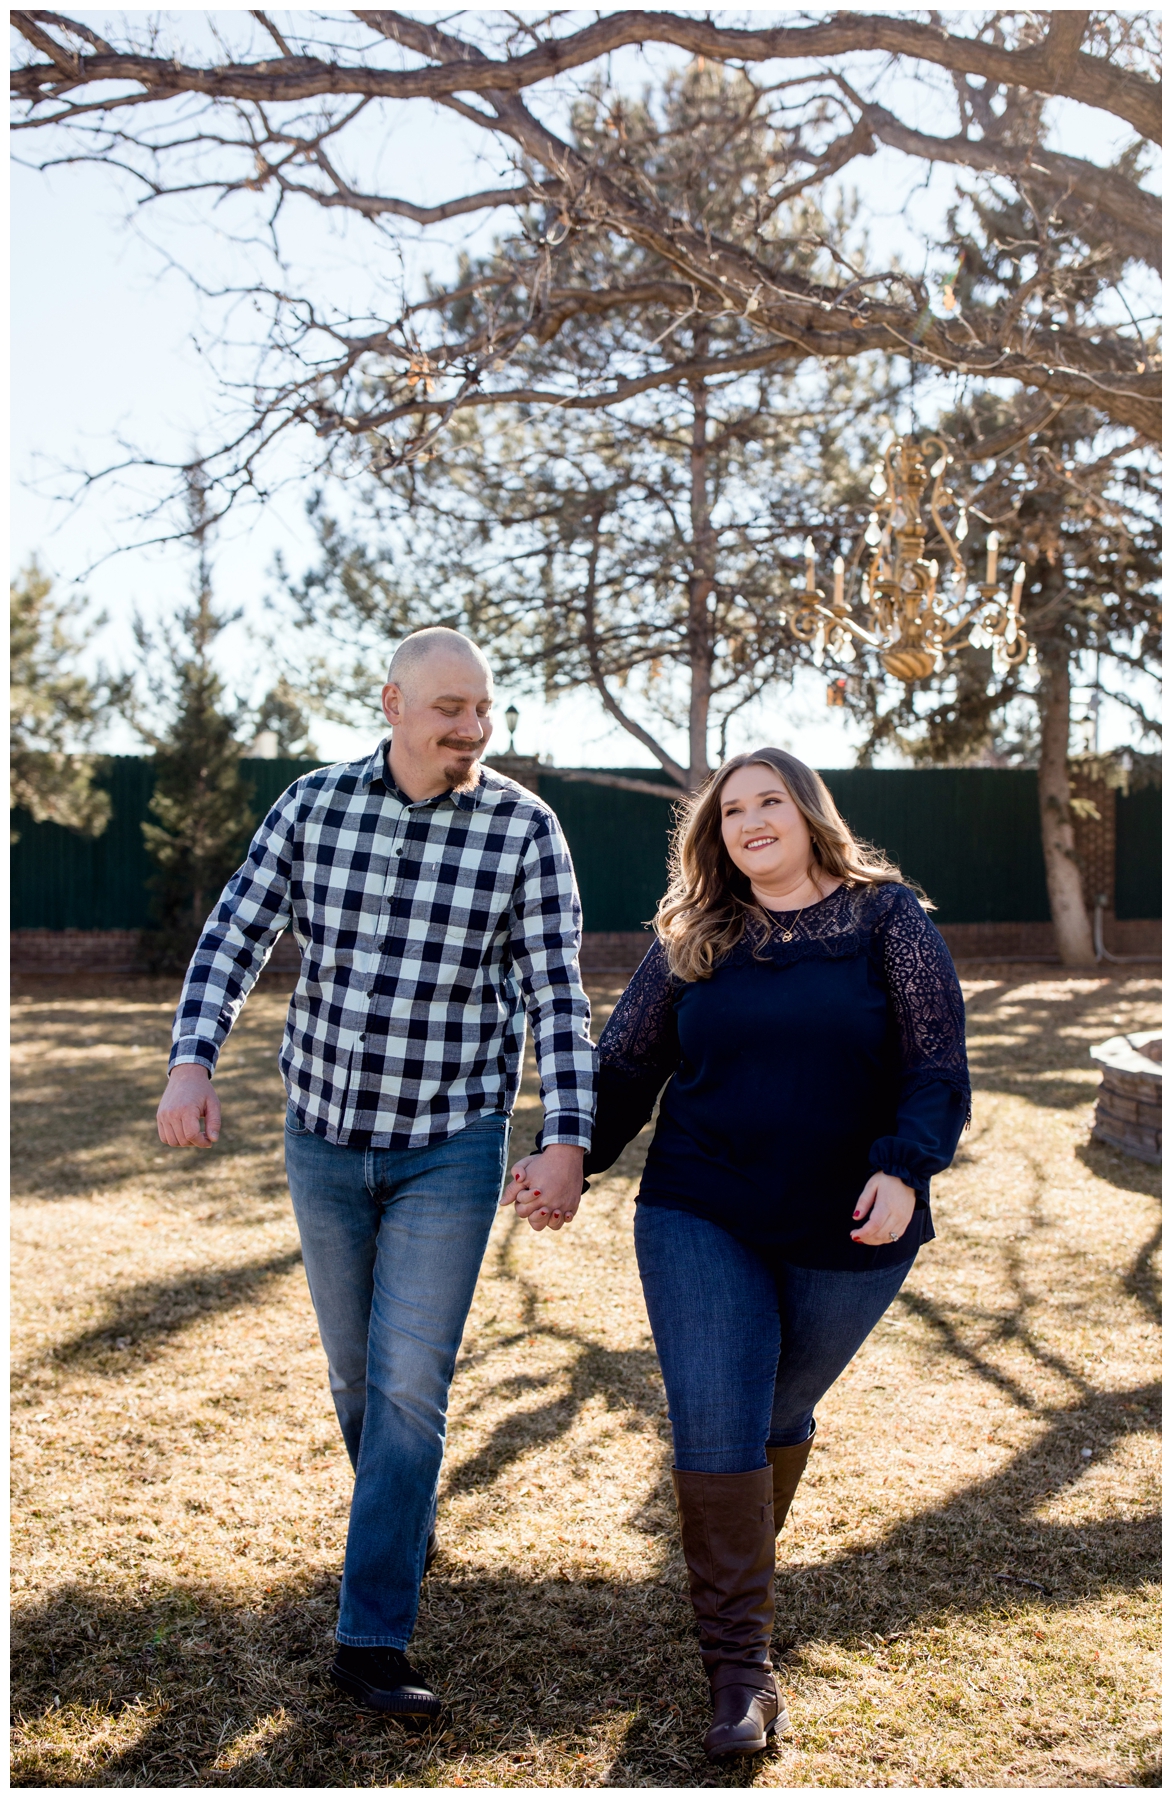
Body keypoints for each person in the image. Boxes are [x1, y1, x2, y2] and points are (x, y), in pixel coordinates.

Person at [156, 627, 592, 1722]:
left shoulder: (523, 830)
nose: (471, 728)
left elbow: (557, 993)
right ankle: (399, 1516)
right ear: (393, 702)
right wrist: (192, 1057)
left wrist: (567, 1136)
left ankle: (371, 1635)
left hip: (452, 1141)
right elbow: (234, 934)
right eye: (449, 707)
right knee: (357, 1381)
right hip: (324, 1139)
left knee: (408, 1383)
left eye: (483, 709)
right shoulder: (313, 806)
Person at [511, 746, 970, 1758]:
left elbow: (936, 1063)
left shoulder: (885, 919)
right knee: (717, 1420)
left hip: (852, 1222)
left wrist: (905, 1166)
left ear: (809, 814)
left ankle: (736, 1583)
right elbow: (625, 1063)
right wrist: (567, 1154)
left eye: (771, 802)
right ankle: (739, 1673)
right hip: (699, 1207)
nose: (752, 821)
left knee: (771, 1413)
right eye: (731, 812)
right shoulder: (697, 935)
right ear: (714, 836)